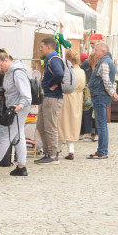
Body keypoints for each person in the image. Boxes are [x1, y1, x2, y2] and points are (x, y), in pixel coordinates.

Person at [0, 51, 31, 177]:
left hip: (17, 108)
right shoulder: (11, 72)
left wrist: (17, 108)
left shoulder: (17, 72)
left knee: (6, 135)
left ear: (6, 60)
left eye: (0, 66)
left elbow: (27, 96)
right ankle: (21, 166)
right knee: (18, 135)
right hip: (16, 107)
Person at [35, 37, 65, 165]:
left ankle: (52, 154)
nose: (40, 48)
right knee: (41, 126)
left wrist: (51, 85)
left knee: (50, 126)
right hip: (47, 97)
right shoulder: (50, 60)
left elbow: (59, 74)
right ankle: (48, 152)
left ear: (49, 47)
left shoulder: (54, 60)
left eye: (42, 46)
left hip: (52, 97)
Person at [87, 41, 118, 159]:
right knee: (101, 124)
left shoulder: (104, 62)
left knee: (101, 125)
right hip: (103, 95)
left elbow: (106, 80)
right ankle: (101, 150)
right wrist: (113, 92)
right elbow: (112, 80)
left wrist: (112, 93)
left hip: (100, 95)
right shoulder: (110, 62)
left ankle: (102, 151)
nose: (94, 52)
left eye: (96, 50)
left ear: (102, 51)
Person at [57, 49, 87, 160]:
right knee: (73, 123)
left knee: (62, 122)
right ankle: (71, 150)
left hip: (67, 97)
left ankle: (56, 149)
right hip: (78, 99)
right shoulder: (81, 71)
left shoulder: (69, 71)